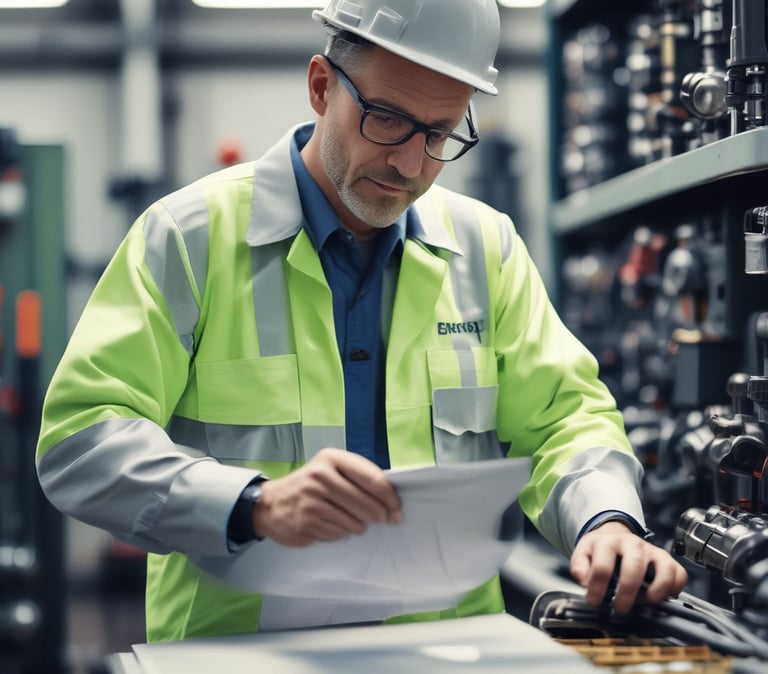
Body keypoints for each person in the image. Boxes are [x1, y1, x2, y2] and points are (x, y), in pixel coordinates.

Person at [36, 0, 687, 643]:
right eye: (387, 121)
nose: (410, 164)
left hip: (448, 650)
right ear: (322, 87)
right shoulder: (189, 240)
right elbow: (82, 441)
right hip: (239, 652)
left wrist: (605, 518)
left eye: (440, 134)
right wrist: (252, 503)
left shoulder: (486, 248)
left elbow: (563, 416)